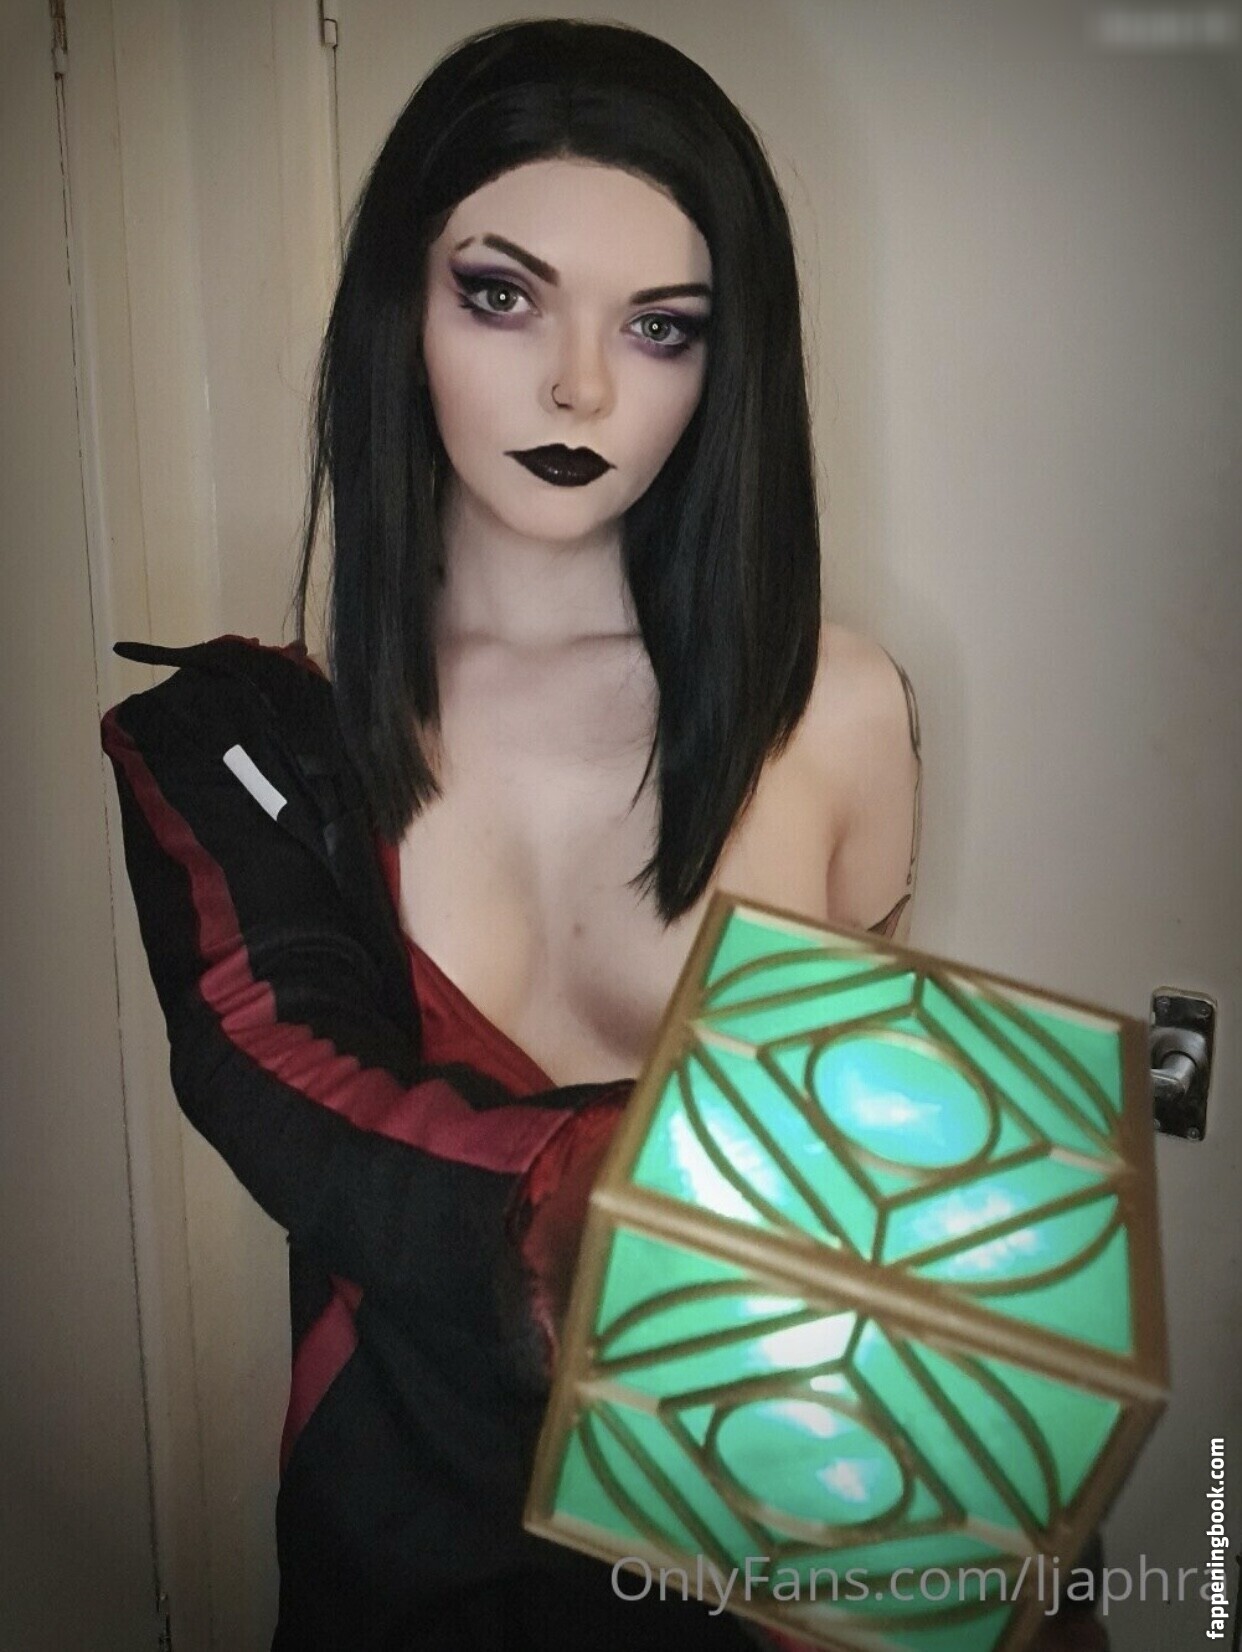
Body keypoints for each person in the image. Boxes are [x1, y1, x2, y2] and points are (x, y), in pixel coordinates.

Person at [102, 17, 1100, 1652]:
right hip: (408, 1572)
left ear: (728, 362)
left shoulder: (834, 709)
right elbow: (272, 1073)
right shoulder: (244, 746)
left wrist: (970, 1507)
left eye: (659, 327)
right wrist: (589, 1209)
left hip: (764, 1572)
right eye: (501, 296)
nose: (580, 385)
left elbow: (867, 1185)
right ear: (397, 308)